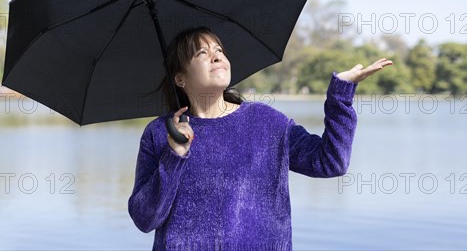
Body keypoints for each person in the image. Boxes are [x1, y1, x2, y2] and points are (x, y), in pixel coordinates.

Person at [128, 27, 393, 250]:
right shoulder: (160, 134)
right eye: (202, 53)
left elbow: (331, 162)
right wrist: (174, 155)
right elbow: (145, 218)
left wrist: (340, 96)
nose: (216, 57)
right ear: (180, 78)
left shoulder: (266, 122)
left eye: (219, 50)